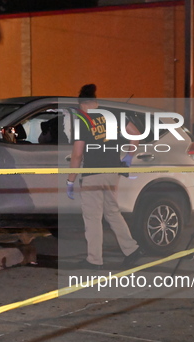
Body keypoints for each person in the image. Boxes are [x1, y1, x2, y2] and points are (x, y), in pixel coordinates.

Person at [66, 84, 145, 268]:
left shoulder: (82, 121)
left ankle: (94, 260)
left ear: (82, 105)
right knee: (112, 212)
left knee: (92, 217)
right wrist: (129, 156)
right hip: (112, 173)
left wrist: (70, 179)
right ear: (96, 101)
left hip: (92, 174)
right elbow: (137, 134)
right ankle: (132, 249)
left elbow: (77, 154)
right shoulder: (114, 115)